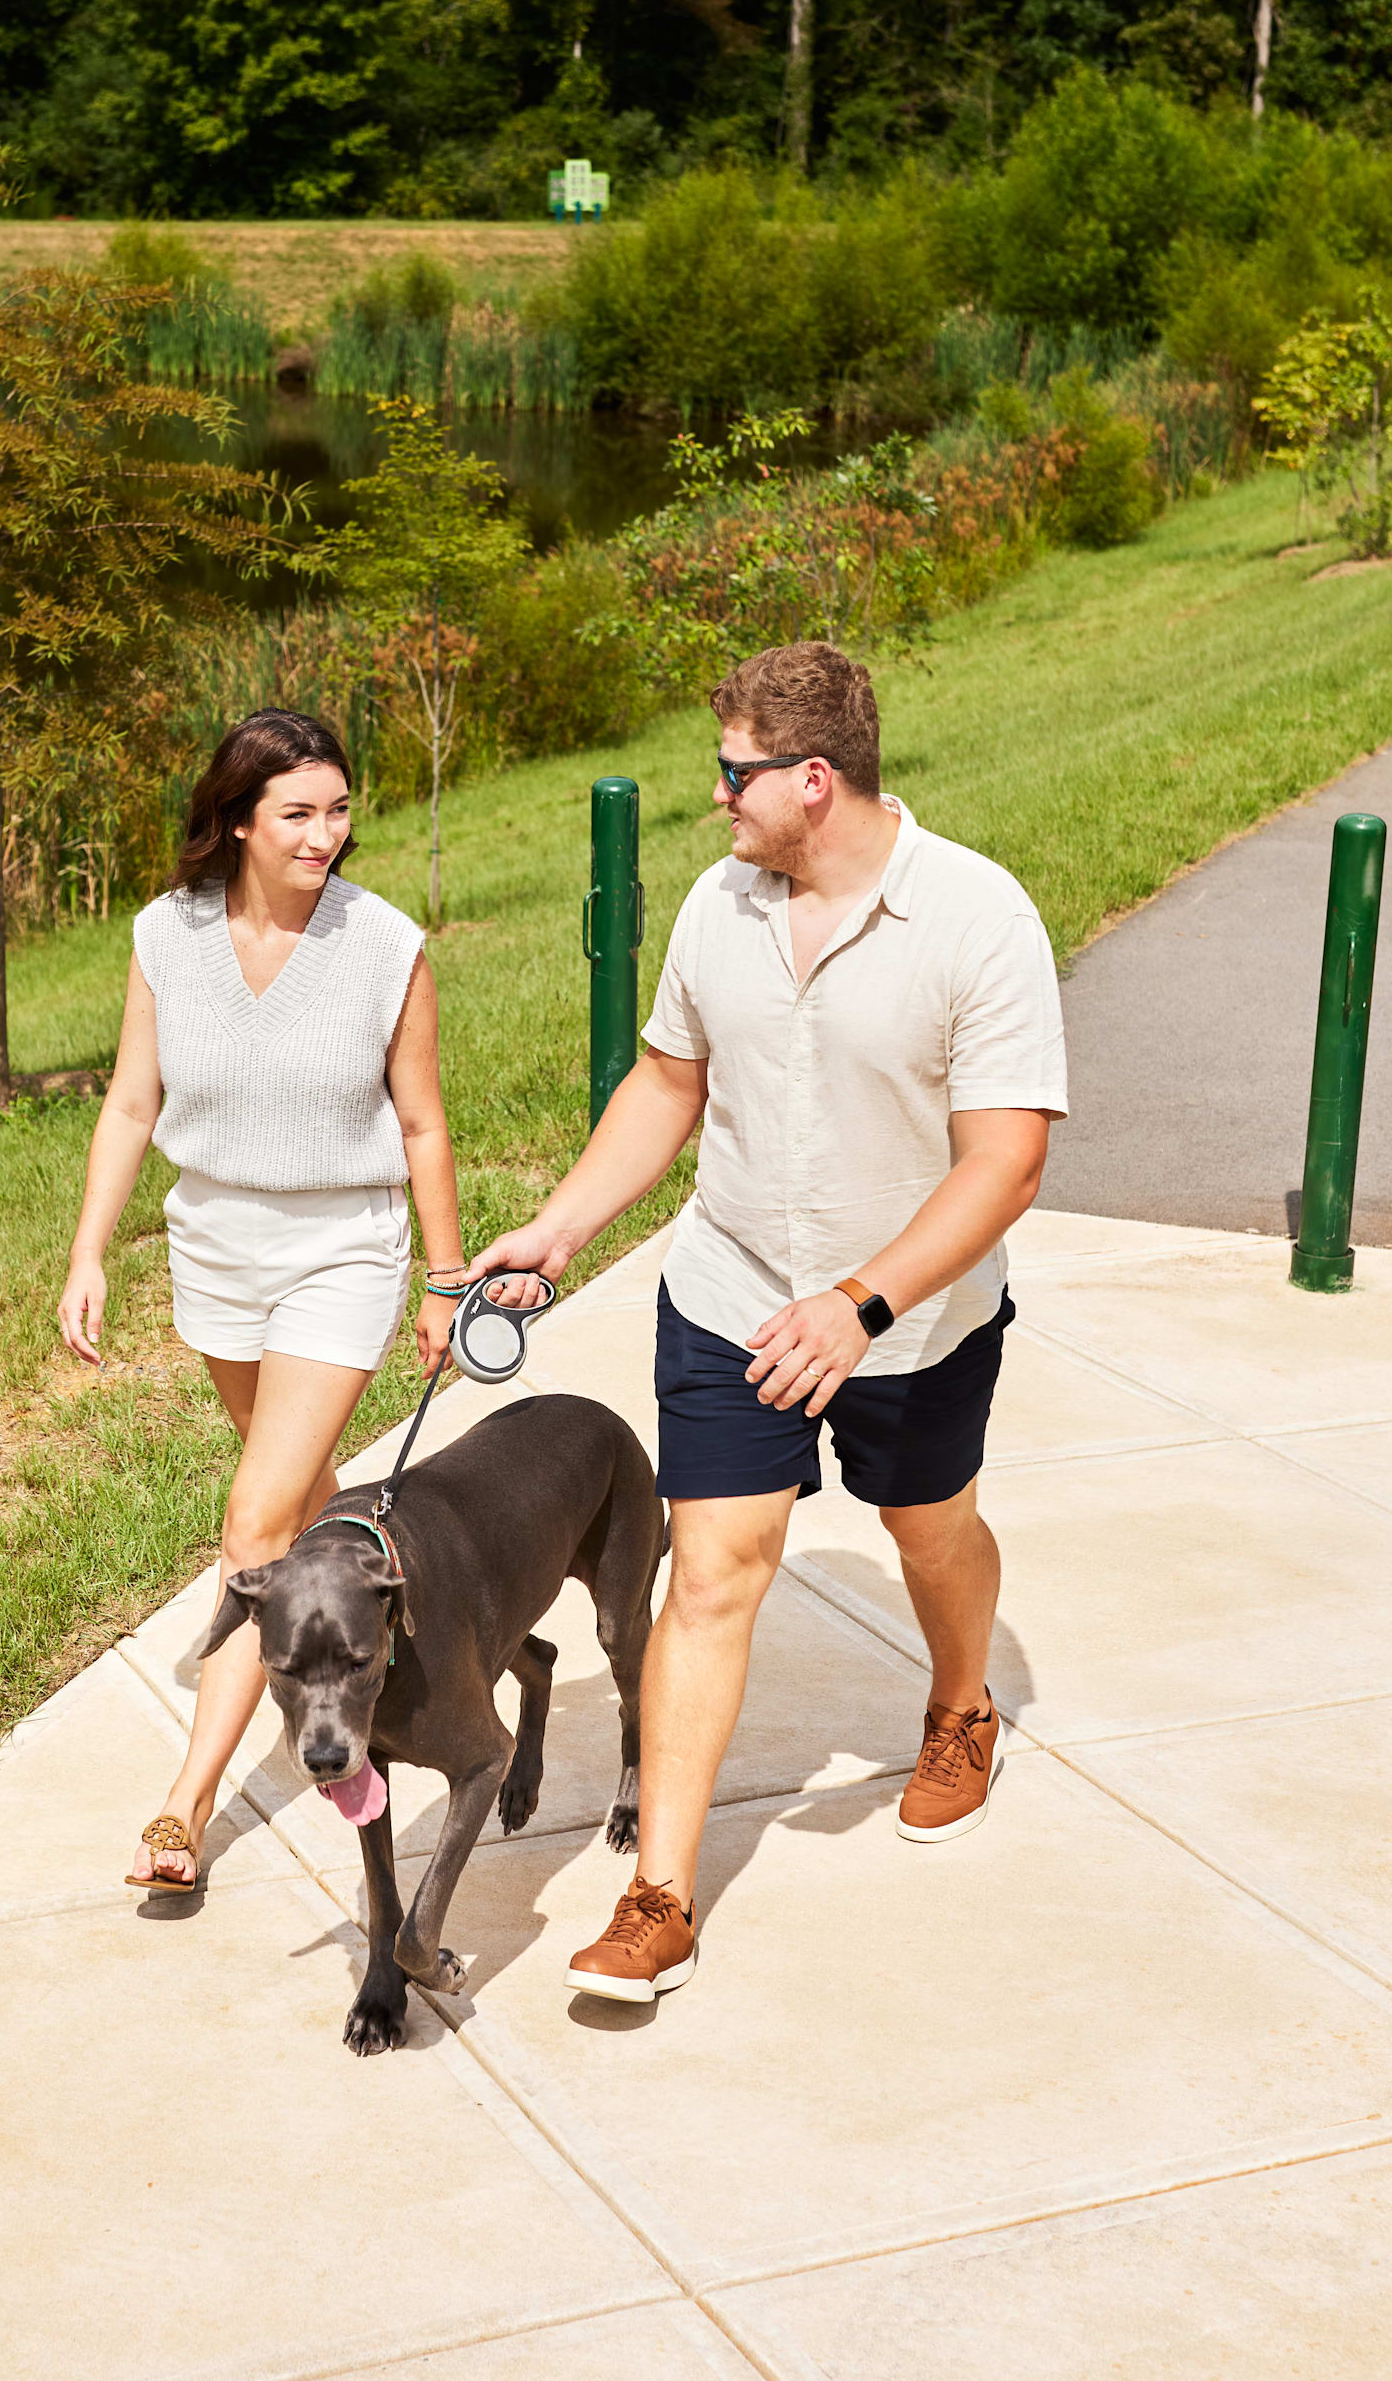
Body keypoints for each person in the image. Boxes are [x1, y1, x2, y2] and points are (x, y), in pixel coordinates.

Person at [467, 640, 1066, 2005]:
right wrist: (559, 1232)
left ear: (813, 778)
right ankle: (659, 1895)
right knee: (715, 1570)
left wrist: (863, 1303)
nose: (716, 798)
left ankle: (961, 1704)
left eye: (734, 774)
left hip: (907, 1322)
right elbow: (669, 1082)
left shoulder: (977, 920)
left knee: (931, 1533)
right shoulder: (718, 906)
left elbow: (1005, 1163)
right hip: (733, 1293)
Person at [61, 709, 462, 1893]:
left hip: (344, 1245)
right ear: (237, 817)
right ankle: (398, 1625)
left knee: (253, 1530)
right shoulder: (166, 936)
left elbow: (426, 1123)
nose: (325, 835)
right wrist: (91, 1252)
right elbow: (132, 1104)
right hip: (216, 1250)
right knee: (298, 1506)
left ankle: (184, 1808)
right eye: (297, 812)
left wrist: (444, 1277)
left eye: (339, 810)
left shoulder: (384, 945)